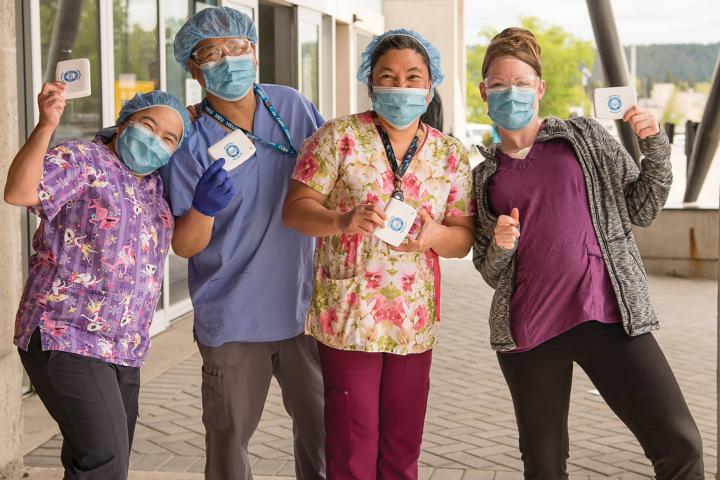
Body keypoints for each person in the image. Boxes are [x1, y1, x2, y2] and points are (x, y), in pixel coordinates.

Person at [472, 28, 703, 479]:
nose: (511, 92)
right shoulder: (484, 177)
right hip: (530, 333)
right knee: (544, 467)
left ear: (540, 89)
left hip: (608, 319)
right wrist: (501, 247)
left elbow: (643, 206)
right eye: (499, 84)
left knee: (680, 445)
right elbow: (488, 269)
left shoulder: (585, 139)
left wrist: (654, 145)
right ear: (484, 92)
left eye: (521, 83)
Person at [283, 29, 475, 479]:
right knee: (352, 446)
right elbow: (295, 211)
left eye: (413, 77)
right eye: (388, 76)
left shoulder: (450, 154)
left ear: (430, 85)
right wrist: (341, 221)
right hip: (348, 317)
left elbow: (462, 238)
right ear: (371, 83)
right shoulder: (338, 137)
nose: (401, 87)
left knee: (402, 447)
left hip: (412, 320)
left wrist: (433, 237)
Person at [162, 6, 326, 479]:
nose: (228, 59)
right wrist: (204, 208)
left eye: (238, 48)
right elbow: (186, 246)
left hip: (303, 309)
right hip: (232, 316)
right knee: (229, 444)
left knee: (325, 437)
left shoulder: (291, 105)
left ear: (254, 52)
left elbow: (334, 173)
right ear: (194, 69)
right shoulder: (189, 136)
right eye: (212, 52)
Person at [4, 86, 191, 479]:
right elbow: (20, 191)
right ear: (123, 124)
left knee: (97, 461)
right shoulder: (84, 159)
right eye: (147, 125)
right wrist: (46, 125)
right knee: (104, 459)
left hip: (124, 348)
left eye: (169, 138)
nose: (155, 139)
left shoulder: (156, 187)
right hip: (65, 332)